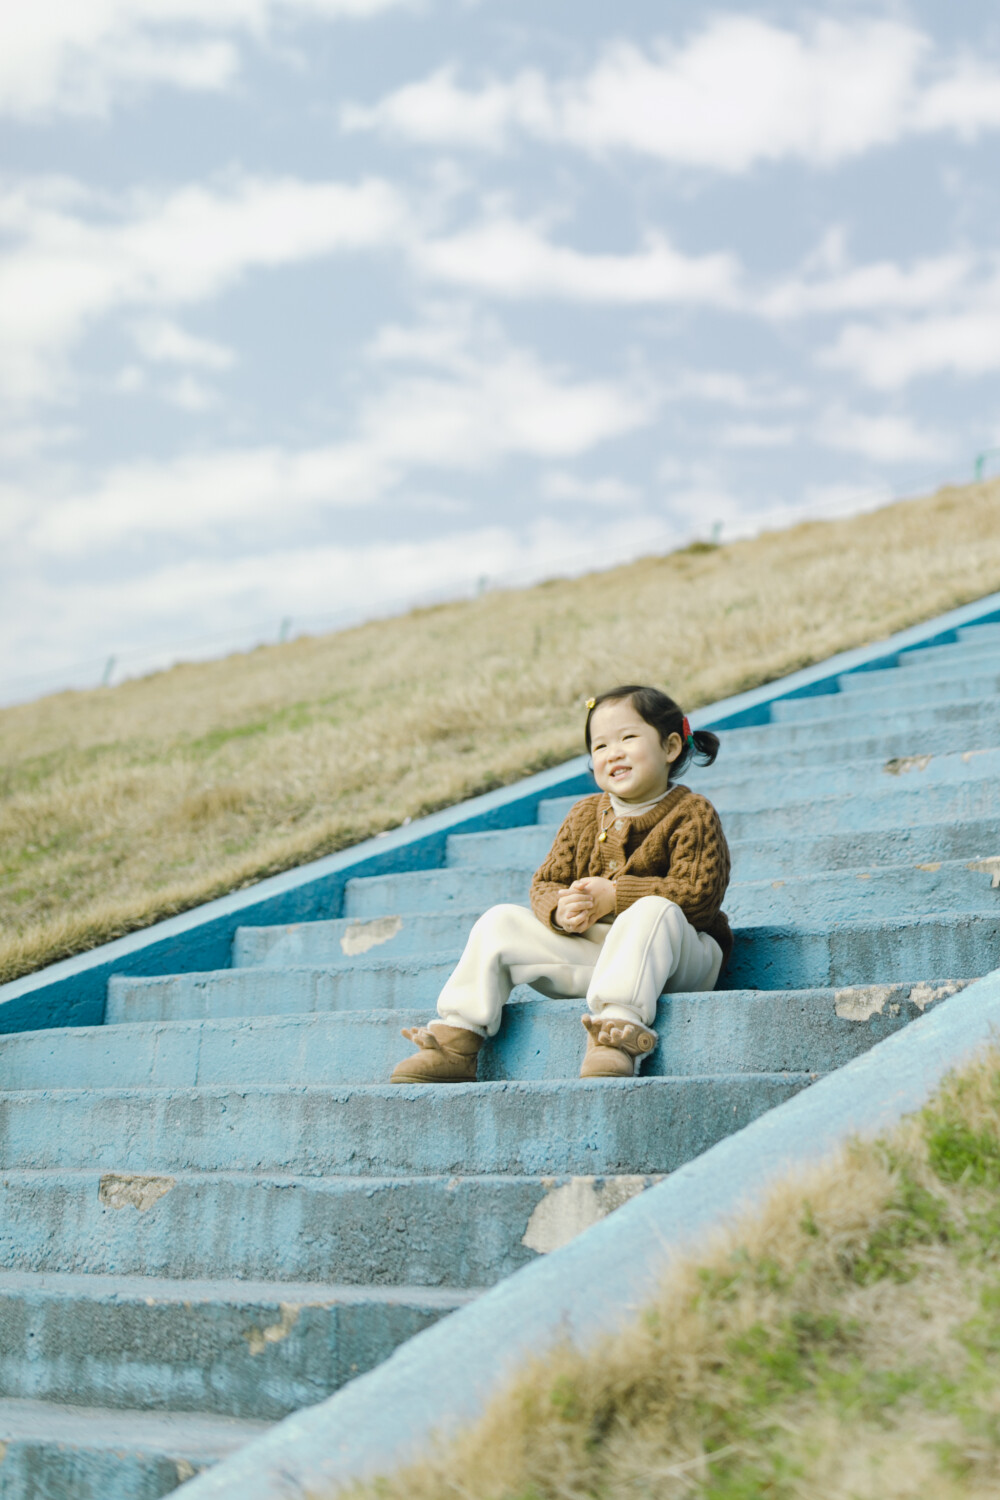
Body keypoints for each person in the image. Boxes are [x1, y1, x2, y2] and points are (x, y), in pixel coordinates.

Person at [390, 685, 732, 1083]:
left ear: (671, 746)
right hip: (602, 961)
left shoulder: (693, 813)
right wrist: (561, 908)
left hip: (679, 959)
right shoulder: (584, 814)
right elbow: (545, 883)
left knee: (651, 911)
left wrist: (615, 897)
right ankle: (457, 1040)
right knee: (500, 921)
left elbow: (699, 898)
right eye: (600, 745)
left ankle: (615, 1034)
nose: (613, 752)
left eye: (628, 738)